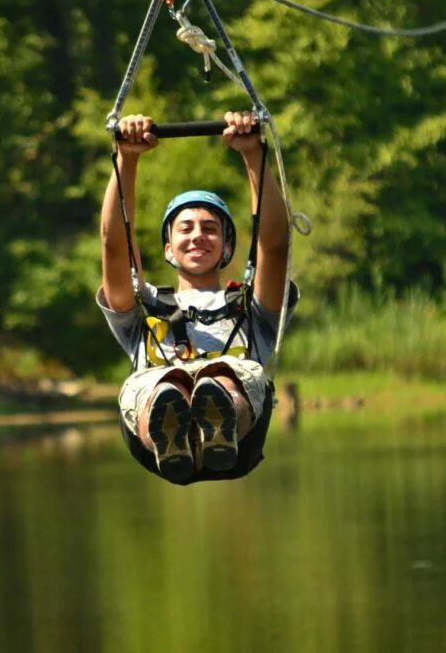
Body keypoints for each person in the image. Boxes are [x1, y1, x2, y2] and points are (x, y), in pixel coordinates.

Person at [98, 110, 297, 484]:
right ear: (169, 249)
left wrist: (253, 154)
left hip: (241, 440)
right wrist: (127, 158)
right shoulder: (144, 309)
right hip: (152, 433)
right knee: (166, 386)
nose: (197, 236)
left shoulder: (251, 309)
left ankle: (219, 423)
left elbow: (274, 244)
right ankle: (171, 431)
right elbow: (114, 246)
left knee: (219, 380)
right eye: (185, 228)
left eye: (210, 229)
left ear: (226, 248)